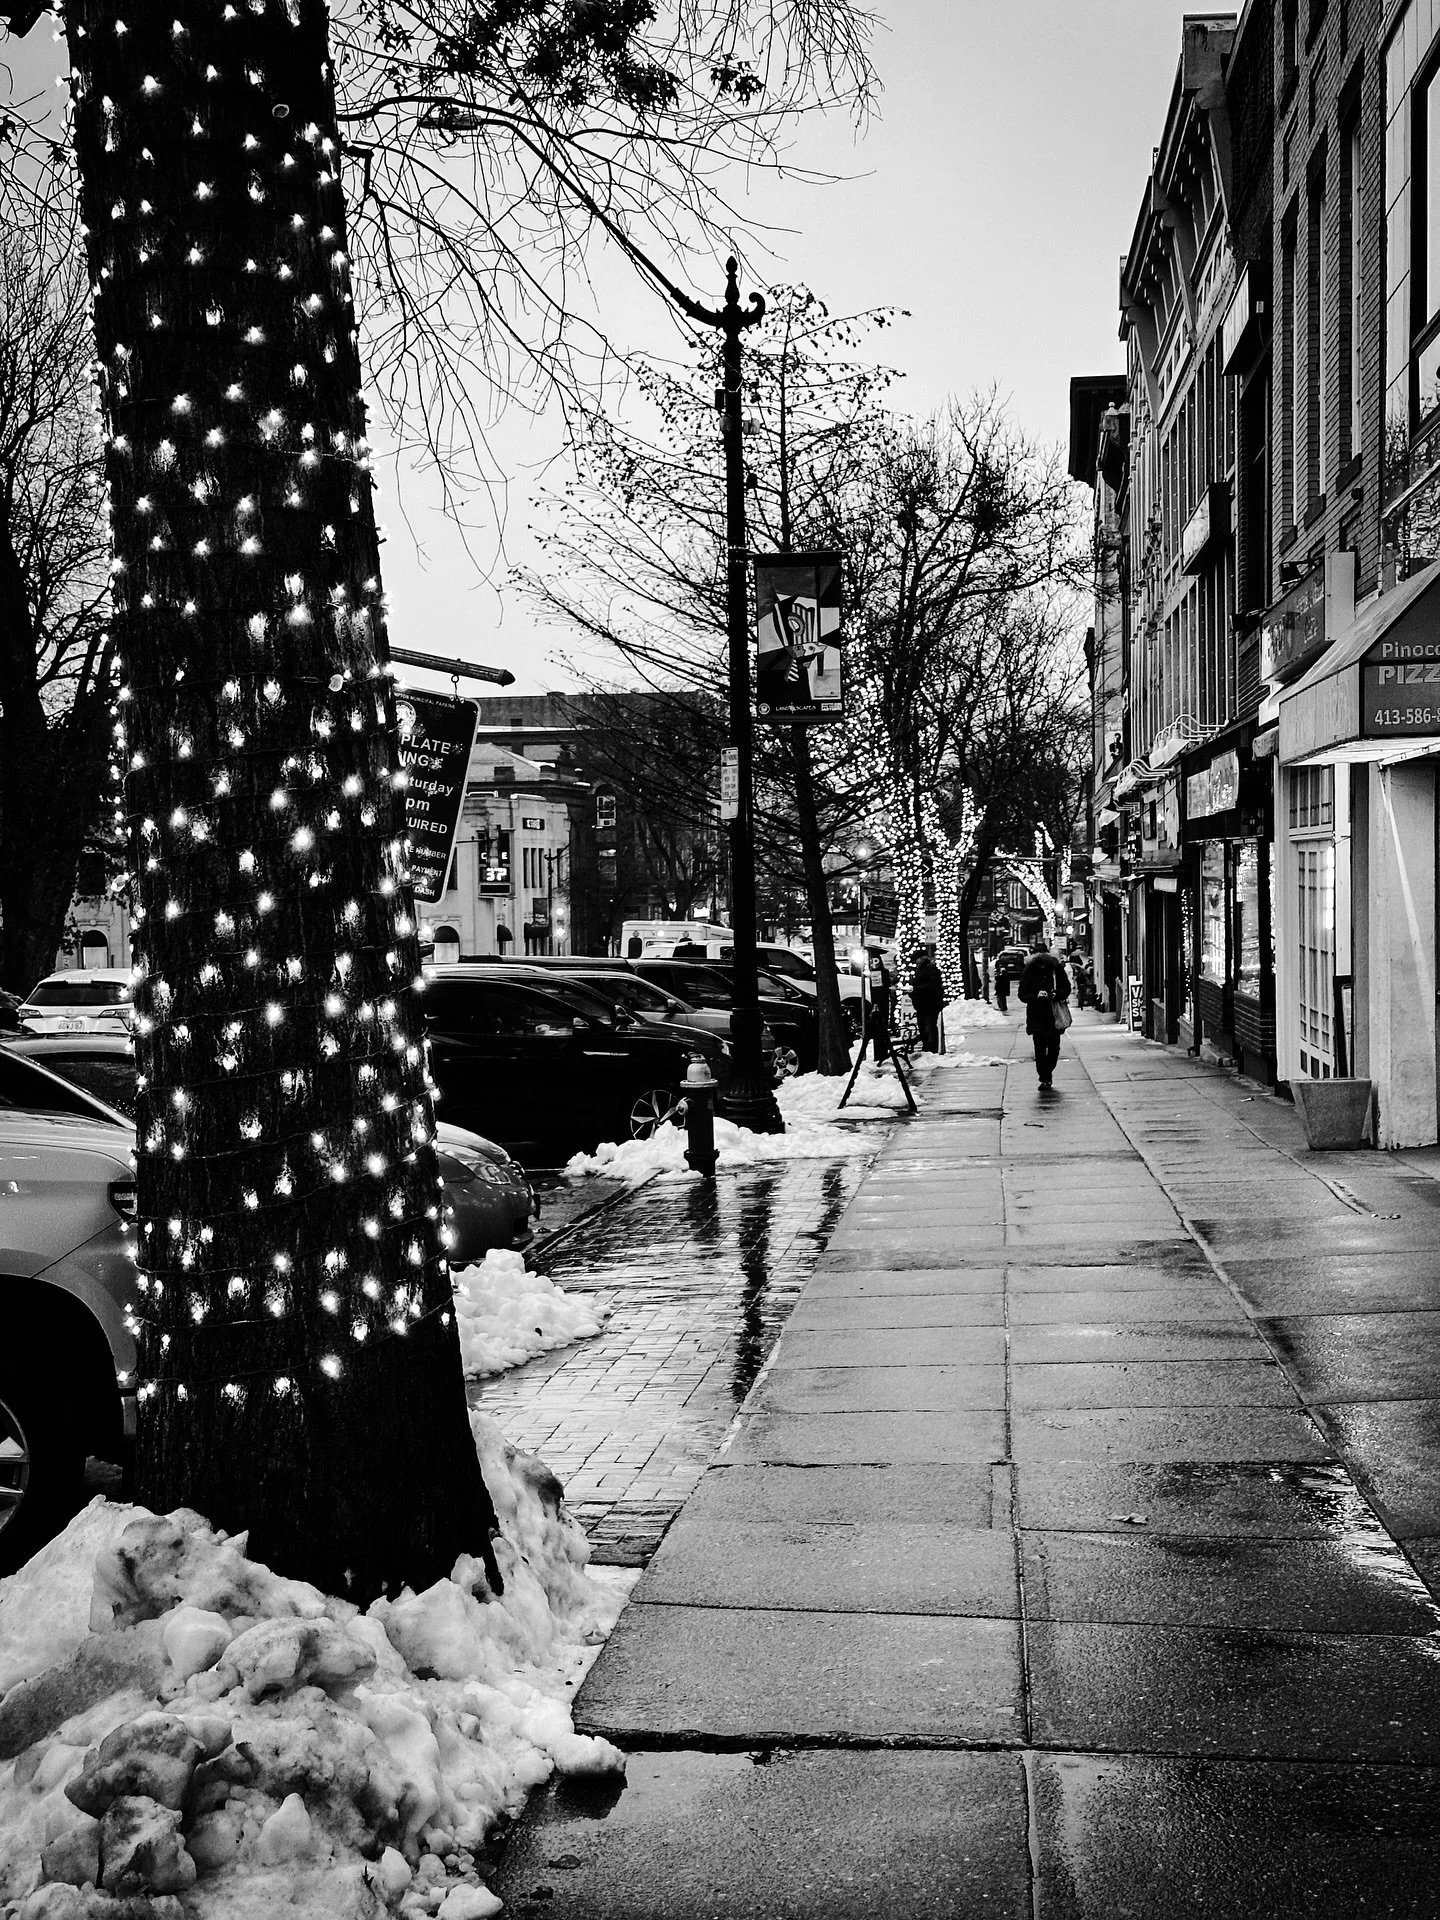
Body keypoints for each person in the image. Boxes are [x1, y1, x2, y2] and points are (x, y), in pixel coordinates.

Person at [1017, 939, 1072, 1090]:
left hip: (1054, 1015)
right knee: (1040, 1048)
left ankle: (1046, 1073)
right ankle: (1045, 1077)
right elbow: (1022, 994)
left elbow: (1066, 989)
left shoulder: (1055, 969)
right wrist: (1036, 996)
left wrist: (1055, 994)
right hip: (1037, 1015)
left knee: (1053, 1049)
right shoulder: (1029, 970)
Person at [909, 948, 944, 1052]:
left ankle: (931, 1049)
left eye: (917, 959)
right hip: (923, 1004)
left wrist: (916, 990)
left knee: (929, 1028)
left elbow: (933, 985)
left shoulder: (930, 969)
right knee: (924, 1028)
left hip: (929, 1004)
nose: (916, 962)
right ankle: (927, 1048)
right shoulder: (921, 970)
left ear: (922, 959)